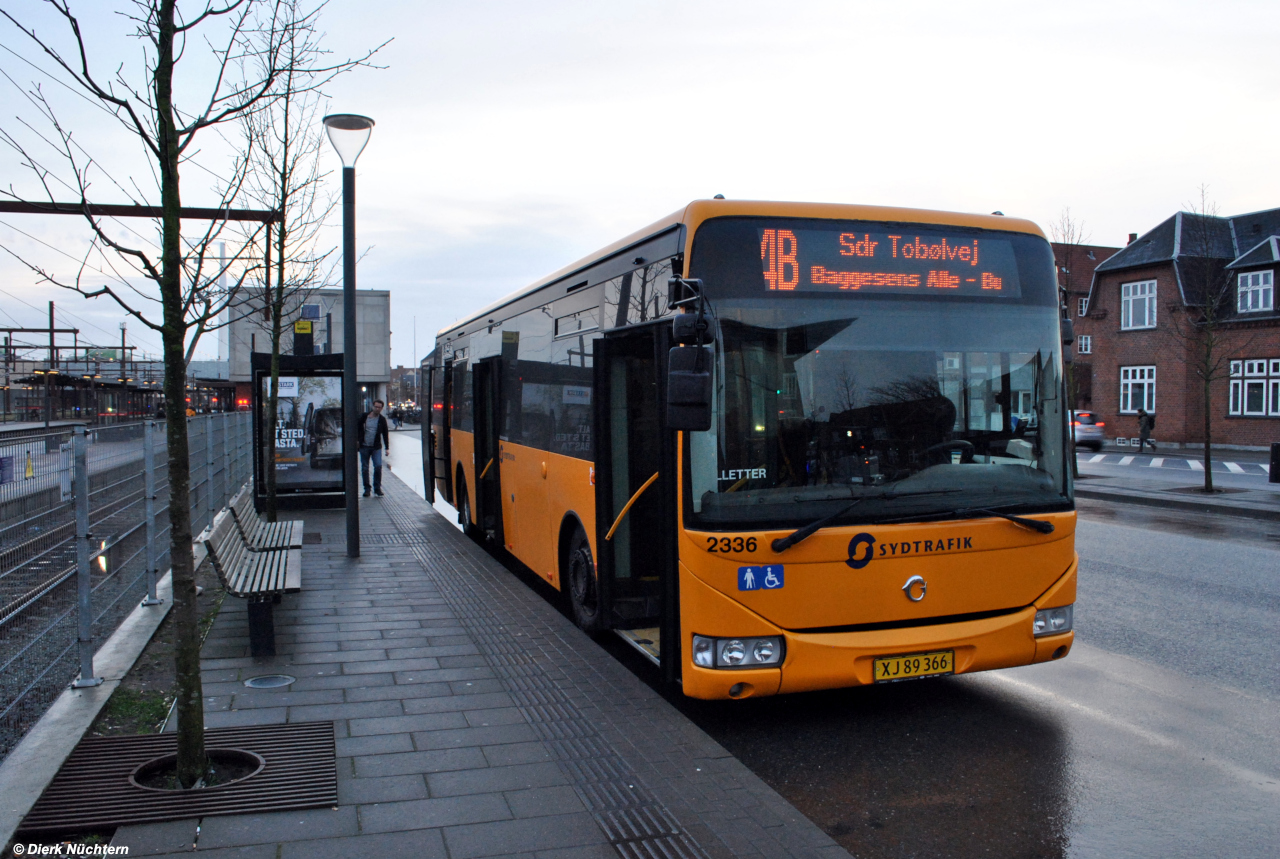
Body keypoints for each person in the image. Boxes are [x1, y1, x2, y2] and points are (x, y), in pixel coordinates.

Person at [357, 399, 390, 497]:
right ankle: (367, 489)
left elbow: (385, 433)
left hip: (376, 447)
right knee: (365, 468)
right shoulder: (364, 417)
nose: (377, 409)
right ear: (372, 407)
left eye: (379, 407)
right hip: (364, 446)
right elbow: (357, 428)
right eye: (376, 406)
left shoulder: (382, 419)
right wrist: (358, 440)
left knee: (378, 466)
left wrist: (387, 448)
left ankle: (377, 488)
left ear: (381, 408)